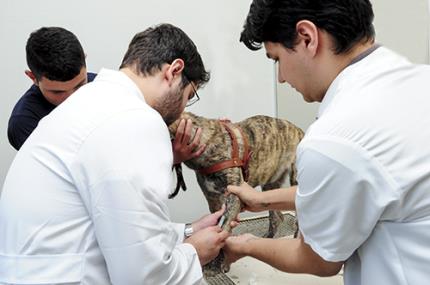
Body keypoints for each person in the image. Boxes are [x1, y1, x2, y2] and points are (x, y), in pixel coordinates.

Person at [0, 23, 229, 284]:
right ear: (174, 71)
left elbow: (117, 226)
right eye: (188, 96)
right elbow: (143, 277)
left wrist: (186, 231)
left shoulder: (95, 102)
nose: (183, 109)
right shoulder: (135, 118)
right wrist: (195, 253)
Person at [223, 0, 430, 284]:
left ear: (307, 37)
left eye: (277, 59)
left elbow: (319, 259)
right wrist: (263, 201)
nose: (281, 78)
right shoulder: (419, 80)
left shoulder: (334, 140)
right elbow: (358, 189)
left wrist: (243, 246)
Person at [7, 26, 204, 163]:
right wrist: (166, 157)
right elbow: (88, 175)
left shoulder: (102, 84)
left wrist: (215, 129)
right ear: (32, 77)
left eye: (79, 86)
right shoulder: (24, 122)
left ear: (85, 60)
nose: (72, 98)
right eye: (57, 92)